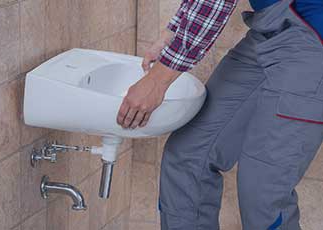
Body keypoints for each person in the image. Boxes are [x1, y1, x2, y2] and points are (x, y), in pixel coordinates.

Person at [117, 0, 323, 229]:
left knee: (263, 189)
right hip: (272, 25)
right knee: (189, 156)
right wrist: (172, 32)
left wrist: (157, 80)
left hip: (315, 33)